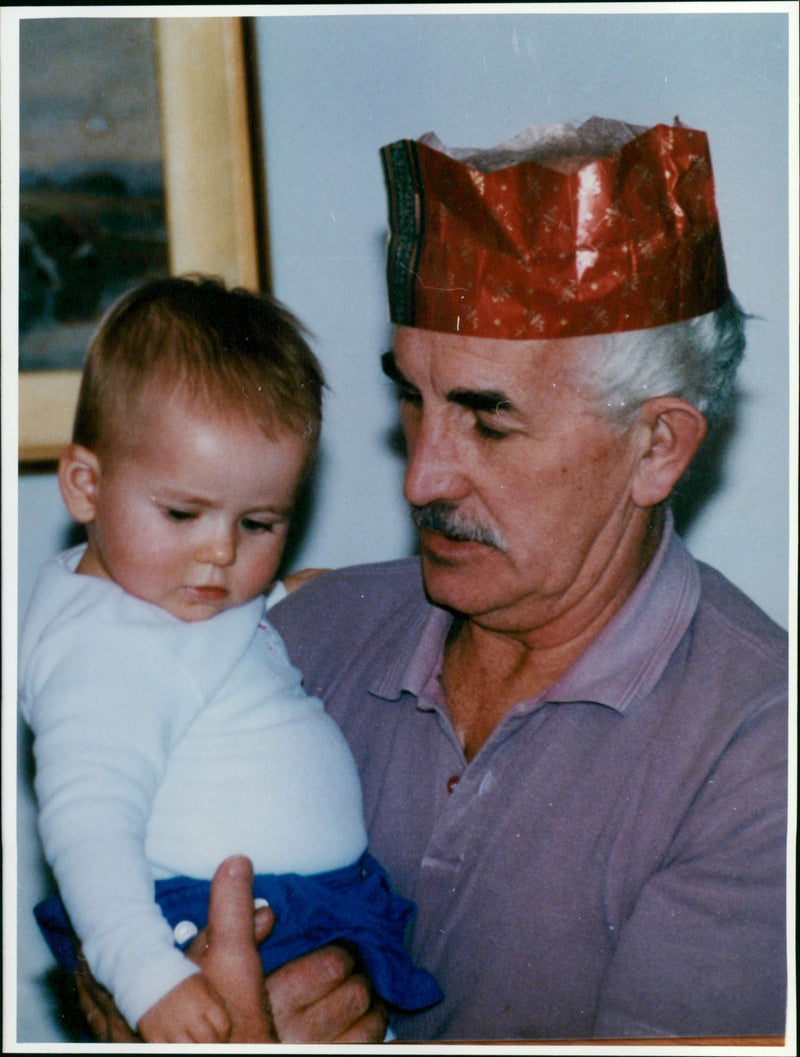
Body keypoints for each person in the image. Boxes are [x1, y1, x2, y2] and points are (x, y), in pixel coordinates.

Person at [75, 118, 788, 1042]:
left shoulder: (756, 752)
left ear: (657, 447)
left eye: (488, 421)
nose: (421, 478)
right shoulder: (299, 631)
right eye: (413, 400)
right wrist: (133, 997)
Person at [18, 276, 441, 1043]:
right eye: (183, 513)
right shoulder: (104, 654)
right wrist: (150, 979)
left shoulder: (158, 600)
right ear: (85, 484)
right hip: (206, 924)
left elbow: (201, 674)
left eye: (259, 521)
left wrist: (274, 601)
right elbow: (87, 827)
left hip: (308, 907)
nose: (219, 553)